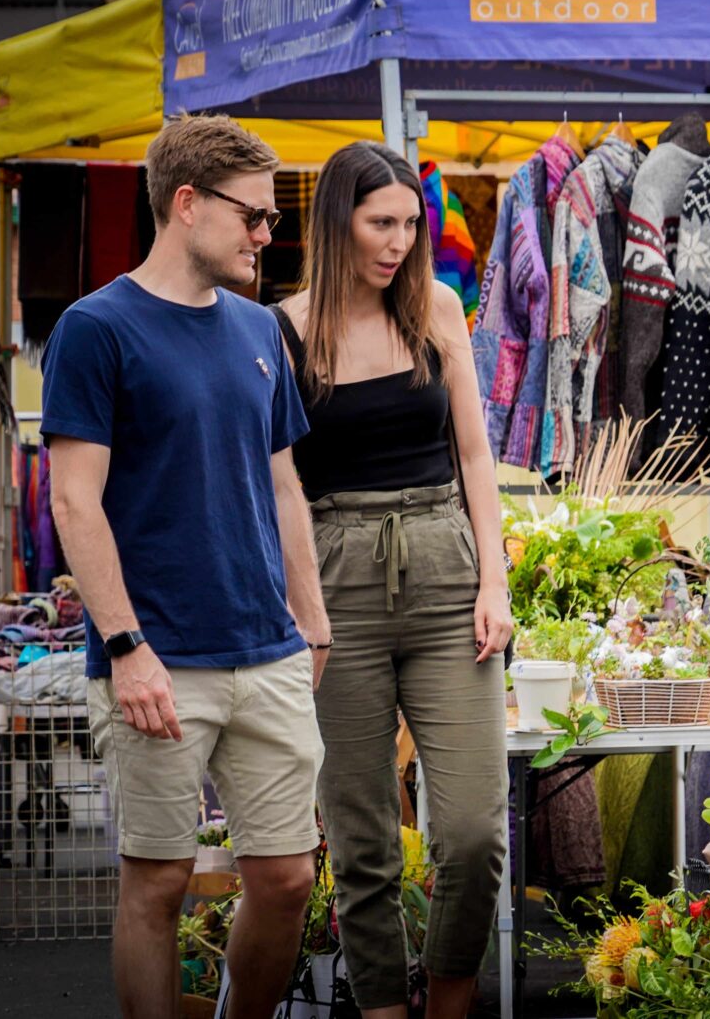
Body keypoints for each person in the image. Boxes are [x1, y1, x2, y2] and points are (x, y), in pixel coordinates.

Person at [43, 116, 331, 1019]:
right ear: (185, 203)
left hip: (268, 649)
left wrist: (311, 617)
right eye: (253, 215)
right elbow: (73, 501)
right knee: (159, 882)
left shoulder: (258, 329)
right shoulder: (96, 328)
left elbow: (284, 482)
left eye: (271, 219)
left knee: (286, 877)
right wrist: (126, 646)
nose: (265, 234)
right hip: (158, 658)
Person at [271, 141, 514, 1019]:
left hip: (449, 567)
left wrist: (497, 582)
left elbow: (476, 455)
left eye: (412, 223)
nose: (401, 242)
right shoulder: (284, 330)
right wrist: (301, 605)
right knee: (363, 834)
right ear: (338, 220)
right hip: (338, 579)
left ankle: (446, 1000)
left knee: (473, 829)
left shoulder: (437, 307)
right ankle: (380, 1006)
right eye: (382, 223)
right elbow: (281, 481)